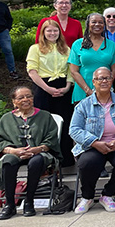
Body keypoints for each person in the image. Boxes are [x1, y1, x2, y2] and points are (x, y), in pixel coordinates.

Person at [69, 67, 115, 214]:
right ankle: (87, 197)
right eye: (100, 78)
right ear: (93, 82)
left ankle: (108, 194)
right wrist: (94, 142)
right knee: (87, 162)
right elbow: (74, 129)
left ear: (112, 80)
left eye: (107, 78)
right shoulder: (84, 105)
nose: (104, 81)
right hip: (93, 146)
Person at [0, 85, 61, 220]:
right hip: (14, 153)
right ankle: (10, 204)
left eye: (29, 96)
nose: (26, 99)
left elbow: (52, 139)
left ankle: (29, 202)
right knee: (8, 161)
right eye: (21, 97)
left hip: (40, 153)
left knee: (36, 161)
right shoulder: (6, 119)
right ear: (14, 101)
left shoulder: (45, 116)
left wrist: (38, 149)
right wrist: (13, 150)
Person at [27, 19, 74, 166]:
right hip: (43, 88)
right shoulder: (35, 48)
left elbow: (71, 70)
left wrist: (67, 87)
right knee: (44, 124)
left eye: (55, 30)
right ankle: (44, 159)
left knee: (65, 123)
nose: (52, 33)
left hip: (63, 88)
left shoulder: (66, 49)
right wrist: (47, 88)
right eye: (49, 31)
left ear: (59, 32)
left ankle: (65, 158)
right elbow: (32, 71)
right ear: (43, 32)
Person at [69, 14, 115, 104]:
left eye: (100, 22)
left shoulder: (111, 45)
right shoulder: (78, 44)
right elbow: (74, 71)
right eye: (94, 22)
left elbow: (113, 70)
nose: (97, 24)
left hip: (105, 91)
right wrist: (88, 91)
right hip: (82, 91)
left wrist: (103, 89)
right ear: (88, 24)